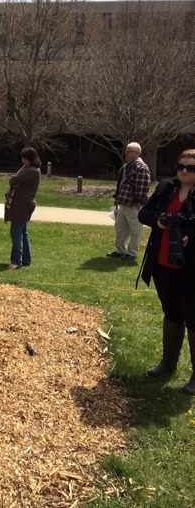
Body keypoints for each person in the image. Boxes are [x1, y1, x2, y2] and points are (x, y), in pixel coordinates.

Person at [137, 149, 195, 394]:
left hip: (191, 267)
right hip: (163, 264)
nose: (184, 171)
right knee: (172, 312)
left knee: (193, 316)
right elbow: (143, 213)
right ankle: (168, 362)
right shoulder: (165, 188)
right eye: (181, 166)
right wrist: (159, 220)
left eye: (190, 168)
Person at [112, 142, 152, 261]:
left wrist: (138, 201)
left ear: (137, 153)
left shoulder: (141, 167)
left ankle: (132, 253)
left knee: (135, 229)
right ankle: (120, 250)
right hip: (123, 202)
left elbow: (143, 186)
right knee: (120, 228)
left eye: (129, 151)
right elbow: (121, 184)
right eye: (126, 151)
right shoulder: (126, 166)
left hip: (133, 204)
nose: (126, 153)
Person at [6, 147, 41, 270]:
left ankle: (16, 261)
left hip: (22, 206)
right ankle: (26, 258)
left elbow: (14, 180)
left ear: (30, 159)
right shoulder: (32, 169)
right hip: (24, 205)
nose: (22, 161)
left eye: (24, 158)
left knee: (16, 232)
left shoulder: (30, 171)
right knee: (23, 232)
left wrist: (14, 178)